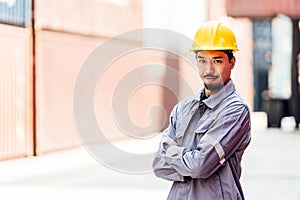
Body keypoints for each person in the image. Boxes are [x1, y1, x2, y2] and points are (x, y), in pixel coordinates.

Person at [152, 20, 251, 200]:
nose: (209, 69)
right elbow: (159, 165)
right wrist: (189, 163)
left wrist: (173, 154)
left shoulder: (236, 111)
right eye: (202, 60)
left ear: (232, 62)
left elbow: (201, 165)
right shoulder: (183, 108)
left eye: (217, 60)